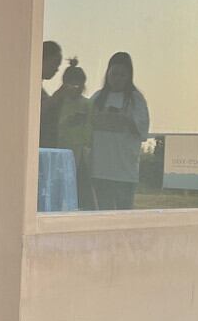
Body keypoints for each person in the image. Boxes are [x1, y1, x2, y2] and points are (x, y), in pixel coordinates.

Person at [89, 52, 150, 210]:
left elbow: (142, 130)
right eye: (114, 74)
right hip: (100, 169)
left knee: (123, 216)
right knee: (103, 214)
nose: (117, 79)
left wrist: (124, 119)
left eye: (122, 75)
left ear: (129, 76)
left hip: (124, 172)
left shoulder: (135, 99)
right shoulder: (98, 97)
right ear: (108, 73)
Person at [53, 58, 95, 210]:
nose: (74, 89)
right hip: (60, 149)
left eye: (78, 85)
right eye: (70, 85)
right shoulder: (59, 102)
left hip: (80, 151)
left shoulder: (87, 104)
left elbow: (91, 128)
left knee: (80, 188)